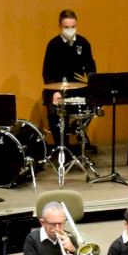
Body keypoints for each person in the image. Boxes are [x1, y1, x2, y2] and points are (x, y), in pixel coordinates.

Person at [42, 9, 97, 152]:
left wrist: (93, 84)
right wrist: (54, 92)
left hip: (79, 88)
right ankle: (63, 147)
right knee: (54, 109)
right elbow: (47, 72)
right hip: (58, 89)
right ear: (60, 27)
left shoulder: (83, 43)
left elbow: (91, 68)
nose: (70, 30)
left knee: (96, 102)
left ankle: (78, 128)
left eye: (73, 26)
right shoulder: (53, 45)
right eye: (66, 27)